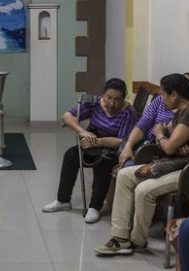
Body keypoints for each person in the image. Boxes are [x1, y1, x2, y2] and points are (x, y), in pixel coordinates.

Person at [95, 73, 189, 255]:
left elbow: (169, 147)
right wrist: (172, 135)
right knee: (124, 175)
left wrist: (161, 134)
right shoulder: (184, 111)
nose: (161, 99)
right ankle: (120, 237)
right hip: (183, 165)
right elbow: (174, 136)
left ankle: (137, 242)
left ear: (174, 94)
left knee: (144, 190)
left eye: (163, 94)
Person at [42, 78, 137, 223]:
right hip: (91, 139)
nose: (112, 103)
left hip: (111, 146)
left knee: (104, 163)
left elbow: (122, 141)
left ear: (124, 98)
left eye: (117, 100)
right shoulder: (94, 104)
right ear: (103, 94)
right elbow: (67, 116)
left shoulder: (128, 112)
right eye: (109, 98)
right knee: (71, 155)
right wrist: (83, 132)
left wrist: (98, 142)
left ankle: (95, 207)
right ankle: (63, 201)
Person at [118, 72, 189, 168]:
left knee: (127, 169)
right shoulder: (165, 101)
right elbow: (143, 124)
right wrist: (129, 146)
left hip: (158, 151)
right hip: (146, 143)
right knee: (122, 160)